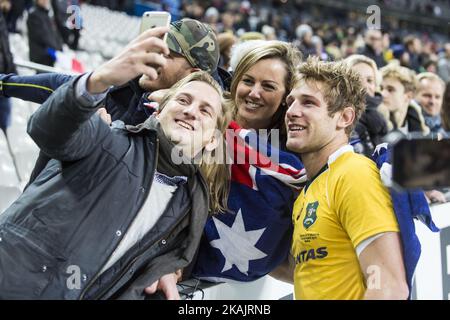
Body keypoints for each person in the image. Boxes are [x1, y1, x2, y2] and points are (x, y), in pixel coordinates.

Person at [0, 27, 232, 299]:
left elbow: (158, 254)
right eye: (183, 100)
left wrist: (168, 266)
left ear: (213, 140)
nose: (191, 112)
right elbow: (49, 126)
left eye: (167, 54)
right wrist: (96, 81)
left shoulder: (192, 201)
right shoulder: (111, 120)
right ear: (158, 110)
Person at [0, 17, 222, 184]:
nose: (153, 53)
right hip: (39, 215)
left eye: (166, 53)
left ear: (190, 73)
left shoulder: (194, 132)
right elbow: (61, 86)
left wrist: (105, 137)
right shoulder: (124, 83)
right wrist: (5, 84)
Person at [272, 57, 408, 300]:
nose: (291, 112)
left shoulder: (354, 174)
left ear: (344, 118)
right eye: (290, 102)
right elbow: (317, 272)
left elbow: (388, 287)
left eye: (309, 103)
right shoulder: (309, 189)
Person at [192, 40, 307, 283]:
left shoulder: (292, 162)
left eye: (268, 86)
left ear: (286, 97)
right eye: (247, 81)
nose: (254, 93)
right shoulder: (201, 117)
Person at [345, 54, 387, 156]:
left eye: (369, 80)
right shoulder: (341, 124)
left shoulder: (382, 121)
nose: (364, 86)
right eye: (357, 79)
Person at [377, 62, 429, 135]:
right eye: (381, 88)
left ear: (408, 96)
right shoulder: (371, 124)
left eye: (390, 90)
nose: (382, 94)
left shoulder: (418, 126)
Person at [27, 0, 63, 67]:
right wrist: (55, 47)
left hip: (49, 55)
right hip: (40, 55)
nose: (45, 1)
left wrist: (59, 48)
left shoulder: (46, 14)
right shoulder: (34, 14)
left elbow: (54, 33)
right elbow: (41, 36)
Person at [0, 0, 16, 134]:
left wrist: (11, 68)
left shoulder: (2, 17)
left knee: (5, 116)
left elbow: (6, 47)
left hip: (4, 72)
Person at [415, 72, 447, 137]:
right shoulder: (404, 125)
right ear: (413, 95)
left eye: (437, 97)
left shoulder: (446, 127)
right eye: (427, 95)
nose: (432, 101)